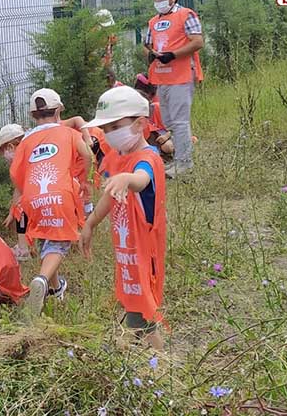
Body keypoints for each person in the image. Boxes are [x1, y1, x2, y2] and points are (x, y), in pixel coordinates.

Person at [80, 86, 167, 351]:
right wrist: (91, 222)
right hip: (125, 251)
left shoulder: (147, 159)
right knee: (133, 303)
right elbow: (109, 195)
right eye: (105, 129)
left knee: (144, 311)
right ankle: (137, 352)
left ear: (140, 124)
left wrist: (127, 179)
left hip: (144, 253)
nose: (109, 134)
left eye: (115, 126)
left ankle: (161, 365)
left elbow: (141, 180)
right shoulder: (120, 158)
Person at [10, 88, 92, 316]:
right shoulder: (68, 133)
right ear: (58, 111)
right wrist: (83, 180)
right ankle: (42, 280)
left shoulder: (26, 140)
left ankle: (56, 288)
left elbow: (16, 174)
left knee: (48, 240)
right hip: (61, 194)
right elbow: (87, 154)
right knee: (59, 243)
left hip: (32, 197)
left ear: (33, 115)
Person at [144, 0, 204, 179]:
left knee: (179, 121)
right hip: (162, 78)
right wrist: (152, 54)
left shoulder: (185, 15)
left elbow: (197, 41)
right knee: (170, 121)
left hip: (181, 75)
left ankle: (184, 163)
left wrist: (174, 54)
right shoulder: (153, 21)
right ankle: (180, 160)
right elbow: (148, 44)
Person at [0, 124, 32, 261]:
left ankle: (24, 250)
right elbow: (18, 188)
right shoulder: (25, 157)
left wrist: (17, 209)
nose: (5, 155)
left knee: (21, 209)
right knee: (19, 209)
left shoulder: (22, 162)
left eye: (4, 150)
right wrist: (12, 212)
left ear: (11, 147)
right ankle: (26, 245)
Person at [134, 73, 175, 162]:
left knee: (167, 146)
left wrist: (166, 136)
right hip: (148, 141)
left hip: (165, 136)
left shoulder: (157, 107)